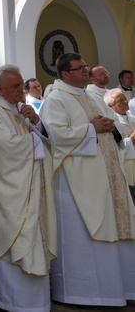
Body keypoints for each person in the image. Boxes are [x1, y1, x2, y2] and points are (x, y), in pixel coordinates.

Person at [40, 53, 135, 306]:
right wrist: (91, 128)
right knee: (83, 236)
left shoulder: (91, 98)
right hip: (76, 184)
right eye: (80, 68)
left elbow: (116, 126)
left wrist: (110, 126)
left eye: (85, 67)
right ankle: (84, 293)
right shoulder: (56, 100)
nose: (86, 71)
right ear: (65, 74)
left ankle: (120, 289)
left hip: (106, 178)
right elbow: (54, 138)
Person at [0, 65, 56, 312]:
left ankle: (37, 304)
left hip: (32, 188)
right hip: (10, 192)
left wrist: (37, 123)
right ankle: (11, 302)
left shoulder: (20, 110)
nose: (21, 90)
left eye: (22, 84)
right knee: (14, 243)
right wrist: (34, 139)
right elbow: (3, 149)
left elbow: (44, 140)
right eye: (14, 86)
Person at [104, 88, 135, 184]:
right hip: (125, 165)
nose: (126, 101)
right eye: (121, 100)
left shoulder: (133, 118)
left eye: (125, 98)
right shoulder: (111, 123)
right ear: (110, 105)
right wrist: (131, 140)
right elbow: (112, 145)